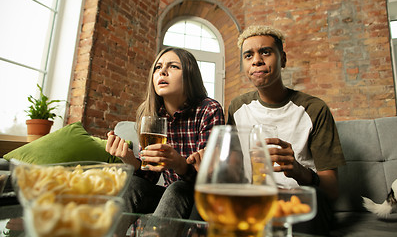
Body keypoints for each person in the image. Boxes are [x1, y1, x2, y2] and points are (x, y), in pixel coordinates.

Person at [222, 25, 346, 235]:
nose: (256, 60)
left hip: (299, 199)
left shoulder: (314, 109)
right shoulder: (237, 107)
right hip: (254, 199)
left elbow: (332, 190)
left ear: (284, 59)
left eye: (266, 52)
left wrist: (299, 172)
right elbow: (232, 172)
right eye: (248, 55)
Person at [105, 47, 225, 217]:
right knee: (132, 184)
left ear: (190, 74)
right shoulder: (150, 114)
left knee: (177, 188)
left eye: (173, 66)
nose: (162, 72)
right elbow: (150, 175)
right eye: (158, 67)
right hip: (169, 195)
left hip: (201, 196)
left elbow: (210, 178)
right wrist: (129, 159)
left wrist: (179, 164)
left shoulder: (208, 110)